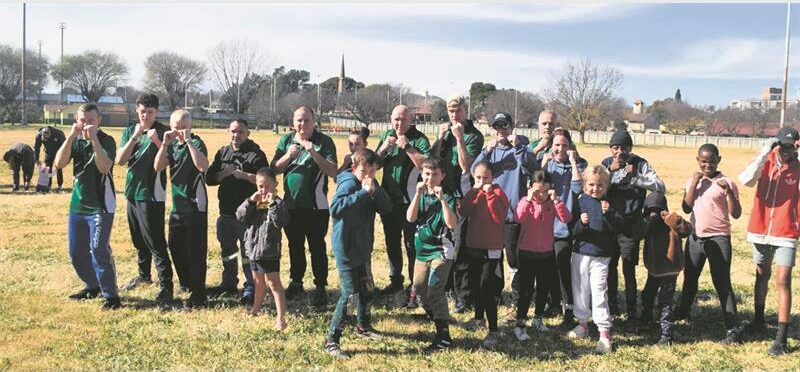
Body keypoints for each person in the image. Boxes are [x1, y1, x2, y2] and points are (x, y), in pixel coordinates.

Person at [470, 112, 538, 322]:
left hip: (511, 216)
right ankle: (495, 297)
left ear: (511, 128)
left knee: (513, 261)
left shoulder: (521, 150)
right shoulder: (488, 152)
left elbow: (534, 170)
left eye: (505, 127)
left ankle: (518, 303)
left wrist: (518, 147)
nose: (501, 131)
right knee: (492, 262)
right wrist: (487, 151)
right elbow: (474, 172)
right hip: (489, 217)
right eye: (497, 127)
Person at [324, 149, 392, 360]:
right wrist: (363, 193)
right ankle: (332, 340)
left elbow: (387, 207)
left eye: (372, 171)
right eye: (364, 170)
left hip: (363, 248)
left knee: (366, 290)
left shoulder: (371, 184)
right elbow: (335, 208)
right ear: (354, 168)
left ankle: (363, 326)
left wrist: (374, 192)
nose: (368, 175)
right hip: (346, 249)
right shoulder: (347, 183)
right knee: (350, 295)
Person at [738, 127, 800, 356]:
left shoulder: (798, 167)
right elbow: (745, 179)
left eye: (791, 147)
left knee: (782, 280)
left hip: (786, 232)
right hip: (761, 228)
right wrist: (765, 152)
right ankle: (758, 320)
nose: (786, 152)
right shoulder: (766, 161)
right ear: (776, 145)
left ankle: (781, 338)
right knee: (761, 275)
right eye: (782, 146)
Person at [675, 143, 745, 345]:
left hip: (719, 238)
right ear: (698, 160)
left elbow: (737, 213)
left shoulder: (726, 182)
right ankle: (683, 312)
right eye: (704, 161)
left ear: (719, 160)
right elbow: (686, 208)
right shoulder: (692, 180)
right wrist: (695, 183)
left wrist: (729, 192)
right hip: (696, 238)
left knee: (722, 282)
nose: (708, 165)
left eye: (712, 161)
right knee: (690, 278)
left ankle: (732, 327)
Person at [54, 103, 120, 310]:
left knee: (99, 249)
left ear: (99, 120)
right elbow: (59, 163)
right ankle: (92, 285)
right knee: (76, 252)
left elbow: (104, 167)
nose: (86, 124)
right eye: (83, 120)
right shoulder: (75, 140)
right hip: (78, 205)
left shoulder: (107, 140)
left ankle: (111, 296)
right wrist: (71, 137)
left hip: (101, 206)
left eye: (91, 120)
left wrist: (94, 142)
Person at [271, 105, 338, 308]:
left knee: (317, 247)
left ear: (313, 122)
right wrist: (288, 156)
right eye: (298, 120)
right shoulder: (286, 140)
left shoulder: (324, 142)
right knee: (295, 246)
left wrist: (314, 153)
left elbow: (333, 171)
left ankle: (320, 287)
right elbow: (272, 169)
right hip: (291, 205)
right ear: (293, 122)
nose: (302, 124)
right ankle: (296, 282)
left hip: (317, 207)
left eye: (306, 120)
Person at [601, 129, 665, 320]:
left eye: (624, 148)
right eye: (615, 147)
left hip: (631, 226)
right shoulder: (606, 164)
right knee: (609, 267)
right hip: (610, 224)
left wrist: (637, 177)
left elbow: (660, 186)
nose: (619, 152)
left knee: (628, 268)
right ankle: (612, 307)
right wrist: (610, 172)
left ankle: (631, 309)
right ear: (611, 149)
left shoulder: (640, 163)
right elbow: (596, 185)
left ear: (630, 148)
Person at [115, 93, 173, 304]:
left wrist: (157, 140)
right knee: (138, 240)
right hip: (131, 192)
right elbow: (120, 160)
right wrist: (135, 136)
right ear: (136, 111)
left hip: (152, 194)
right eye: (142, 112)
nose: (146, 116)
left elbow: (169, 160)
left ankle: (166, 286)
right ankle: (144, 276)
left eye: (150, 112)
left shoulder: (164, 131)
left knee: (155, 241)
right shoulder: (131, 130)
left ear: (156, 112)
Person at [207, 119, 269, 305]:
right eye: (233, 131)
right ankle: (229, 283)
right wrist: (224, 174)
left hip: (248, 216)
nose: (236, 135)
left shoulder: (256, 155)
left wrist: (245, 176)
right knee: (228, 252)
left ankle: (251, 287)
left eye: (240, 132)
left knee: (248, 253)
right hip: (225, 213)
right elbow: (209, 179)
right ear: (228, 131)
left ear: (248, 133)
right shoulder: (222, 153)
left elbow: (266, 182)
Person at [431, 94, 483, 313]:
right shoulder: (445, 132)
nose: (454, 115)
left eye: (458, 110)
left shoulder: (473, 135)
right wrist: (441, 139)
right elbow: (432, 161)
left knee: (460, 248)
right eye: (450, 111)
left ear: (465, 110)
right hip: (444, 196)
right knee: (444, 244)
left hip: (463, 198)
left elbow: (467, 167)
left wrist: (460, 138)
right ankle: (446, 289)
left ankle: (464, 296)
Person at [154, 109, 209, 309]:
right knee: (176, 247)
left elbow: (203, 166)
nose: (180, 131)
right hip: (177, 206)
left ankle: (199, 294)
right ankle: (186, 283)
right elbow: (158, 166)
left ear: (190, 127)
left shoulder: (197, 142)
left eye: (184, 127)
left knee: (196, 252)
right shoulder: (171, 146)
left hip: (196, 207)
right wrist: (165, 144)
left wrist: (189, 142)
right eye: (176, 128)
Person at [375, 105, 430, 300]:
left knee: (411, 244)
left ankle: (415, 285)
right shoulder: (387, 135)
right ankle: (395, 280)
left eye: (403, 119)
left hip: (411, 202)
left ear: (411, 120)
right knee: (392, 242)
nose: (399, 123)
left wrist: (407, 147)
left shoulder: (419, 139)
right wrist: (382, 150)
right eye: (395, 119)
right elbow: (374, 164)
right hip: (388, 200)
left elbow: (427, 166)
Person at [512, 170, 571, 342]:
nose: (541, 195)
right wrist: (528, 199)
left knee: (543, 289)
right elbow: (518, 217)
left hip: (546, 253)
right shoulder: (526, 202)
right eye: (537, 190)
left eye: (545, 191)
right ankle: (520, 324)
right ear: (530, 188)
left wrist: (557, 200)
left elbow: (566, 218)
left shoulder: (552, 204)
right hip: (526, 253)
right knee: (526, 290)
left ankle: (538, 318)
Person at [407, 156, 458, 352]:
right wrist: (417, 195)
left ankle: (444, 337)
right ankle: (435, 315)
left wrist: (443, 199)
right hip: (422, 250)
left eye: (435, 174)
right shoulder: (420, 194)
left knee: (435, 289)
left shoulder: (449, 197)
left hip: (442, 250)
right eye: (427, 174)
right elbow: (410, 218)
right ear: (421, 174)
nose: (430, 178)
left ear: (442, 176)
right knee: (419, 288)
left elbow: (452, 223)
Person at [568, 165, 619, 354]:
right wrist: (581, 223)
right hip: (581, 252)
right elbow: (572, 230)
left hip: (601, 255)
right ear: (584, 185)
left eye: (600, 185)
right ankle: (582, 323)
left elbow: (615, 229)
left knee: (599, 291)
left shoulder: (609, 204)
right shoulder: (580, 202)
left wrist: (609, 214)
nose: (595, 189)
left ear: (606, 186)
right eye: (591, 184)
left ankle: (604, 332)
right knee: (580, 289)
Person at [459, 160, 510, 349]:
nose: (482, 181)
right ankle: (478, 318)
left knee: (486, 286)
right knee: (475, 284)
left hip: (492, 248)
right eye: (478, 177)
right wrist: (474, 191)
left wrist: (488, 194)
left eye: (485, 177)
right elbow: (463, 211)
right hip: (474, 245)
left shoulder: (498, 193)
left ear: (493, 177)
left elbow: (499, 217)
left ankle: (494, 329)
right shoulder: (473, 193)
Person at [540, 127, 586, 327]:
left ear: (570, 147)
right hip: (546, 226)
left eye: (564, 145)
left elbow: (577, 188)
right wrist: (543, 163)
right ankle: (554, 303)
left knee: (563, 268)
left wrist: (573, 161)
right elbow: (539, 185)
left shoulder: (579, 165)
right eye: (556, 145)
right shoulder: (548, 165)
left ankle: (569, 307)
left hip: (565, 225)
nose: (560, 149)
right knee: (549, 267)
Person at [236, 167, 290, 330]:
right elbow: (240, 216)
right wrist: (250, 201)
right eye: (260, 186)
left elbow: (280, 222)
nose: (263, 190)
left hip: (269, 251)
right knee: (258, 281)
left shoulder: (278, 203)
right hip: (253, 249)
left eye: (267, 186)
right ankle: (255, 309)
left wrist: (272, 203)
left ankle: (281, 318)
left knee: (274, 284)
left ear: (275, 185)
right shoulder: (254, 201)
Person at [636, 191, 692, 345]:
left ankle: (666, 334)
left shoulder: (671, 222)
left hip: (669, 269)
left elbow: (687, 230)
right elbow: (637, 233)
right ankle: (647, 320)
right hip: (654, 269)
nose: (654, 214)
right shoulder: (648, 224)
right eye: (650, 210)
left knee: (665, 302)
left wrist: (671, 218)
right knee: (647, 295)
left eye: (657, 210)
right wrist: (646, 220)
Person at [33, 126, 66, 192]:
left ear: (50, 134)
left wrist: (63, 157)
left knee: (59, 168)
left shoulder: (59, 134)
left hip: (59, 152)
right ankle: (48, 186)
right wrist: (36, 159)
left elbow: (65, 146)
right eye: (44, 139)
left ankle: (60, 186)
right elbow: (37, 147)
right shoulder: (39, 136)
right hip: (48, 152)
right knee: (47, 169)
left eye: (46, 138)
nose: (45, 140)